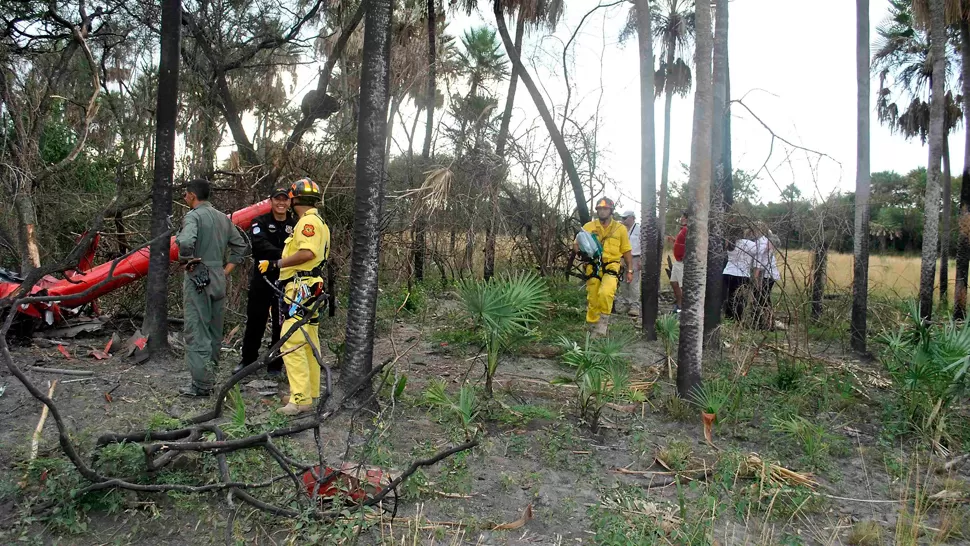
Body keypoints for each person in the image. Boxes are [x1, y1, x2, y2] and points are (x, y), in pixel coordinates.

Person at [258, 178, 331, 416]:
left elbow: (307, 252)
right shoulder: (316, 220)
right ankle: (309, 395)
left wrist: (276, 263)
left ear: (294, 198)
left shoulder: (307, 223)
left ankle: (299, 399)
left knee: (291, 340)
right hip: (309, 287)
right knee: (309, 341)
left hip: (302, 287)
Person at [175, 178, 249, 397]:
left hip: (198, 276)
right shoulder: (222, 219)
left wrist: (189, 261)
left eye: (186, 194)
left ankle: (201, 385)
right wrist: (226, 270)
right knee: (215, 330)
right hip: (218, 276)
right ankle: (211, 376)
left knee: (197, 329)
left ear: (191, 195)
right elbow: (241, 246)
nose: (185, 198)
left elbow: (187, 241)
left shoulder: (193, 217)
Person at [235, 187, 297, 376]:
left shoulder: (295, 225)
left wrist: (283, 261)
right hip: (262, 279)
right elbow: (259, 246)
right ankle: (248, 361)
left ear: (289, 203)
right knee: (255, 320)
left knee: (282, 322)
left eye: (284, 200)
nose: (281, 203)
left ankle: (275, 364)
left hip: (285, 280)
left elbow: (301, 249)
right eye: (277, 199)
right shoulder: (259, 222)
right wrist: (285, 256)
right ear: (270, 201)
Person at [575, 197, 634, 336]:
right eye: (599, 209)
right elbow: (576, 244)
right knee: (593, 297)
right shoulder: (589, 226)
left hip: (612, 266)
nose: (602, 211)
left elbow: (626, 251)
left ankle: (602, 325)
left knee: (606, 293)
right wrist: (581, 252)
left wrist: (630, 270)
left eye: (605, 208)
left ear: (611, 210)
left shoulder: (620, 229)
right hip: (593, 266)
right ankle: (591, 326)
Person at [722, 227, 758, 322]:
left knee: (730, 296)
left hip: (728, 272)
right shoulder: (750, 244)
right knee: (740, 298)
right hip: (742, 274)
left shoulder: (730, 244)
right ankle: (738, 317)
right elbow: (759, 253)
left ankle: (729, 317)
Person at [754, 226, 783, 330]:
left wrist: (756, 279)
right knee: (763, 299)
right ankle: (766, 322)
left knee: (763, 299)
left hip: (766, 275)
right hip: (770, 274)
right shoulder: (765, 241)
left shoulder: (762, 243)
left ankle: (767, 323)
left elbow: (759, 263)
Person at [616, 210, 641, 317]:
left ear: (632, 218)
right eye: (622, 218)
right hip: (622, 257)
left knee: (633, 283)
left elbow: (644, 244)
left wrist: (642, 260)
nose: (623, 220)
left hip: (635, 257)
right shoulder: (621, 229)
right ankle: (626, 303)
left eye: (625, 218)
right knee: (623, 282)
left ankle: (634, 306)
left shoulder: (639, 229)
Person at [665, 211, 688, 312]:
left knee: (683, 285)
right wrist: (674, 241)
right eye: (682, 216)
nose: (682, 218)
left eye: (684, 217)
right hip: (677, 261)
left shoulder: (689, 230)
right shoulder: (683, 230)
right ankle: (679, 305)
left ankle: (685, 309)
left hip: (683, 262)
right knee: (674, 282)